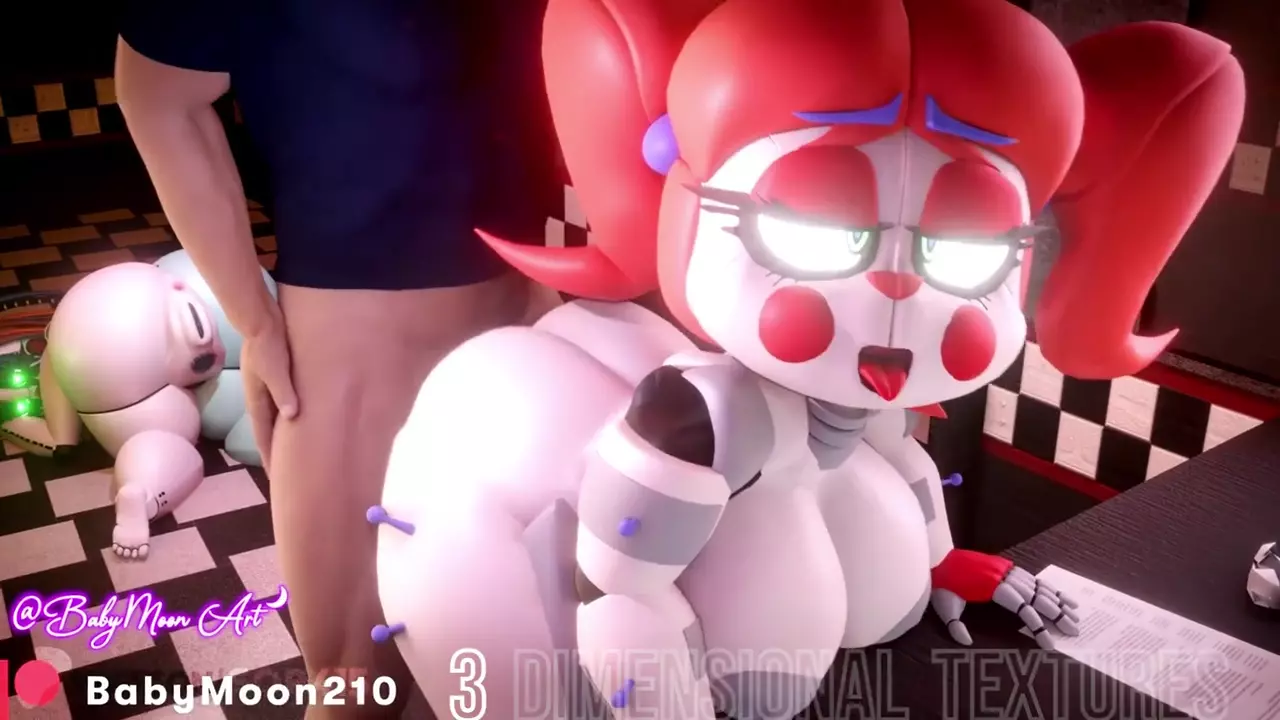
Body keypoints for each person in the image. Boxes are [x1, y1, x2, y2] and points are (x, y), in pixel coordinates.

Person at [114, 1, 558, 716]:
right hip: (362, 343)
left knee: (545, 669)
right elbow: (157, 92)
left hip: (549, 316)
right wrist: (253, 319)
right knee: (358, 684)